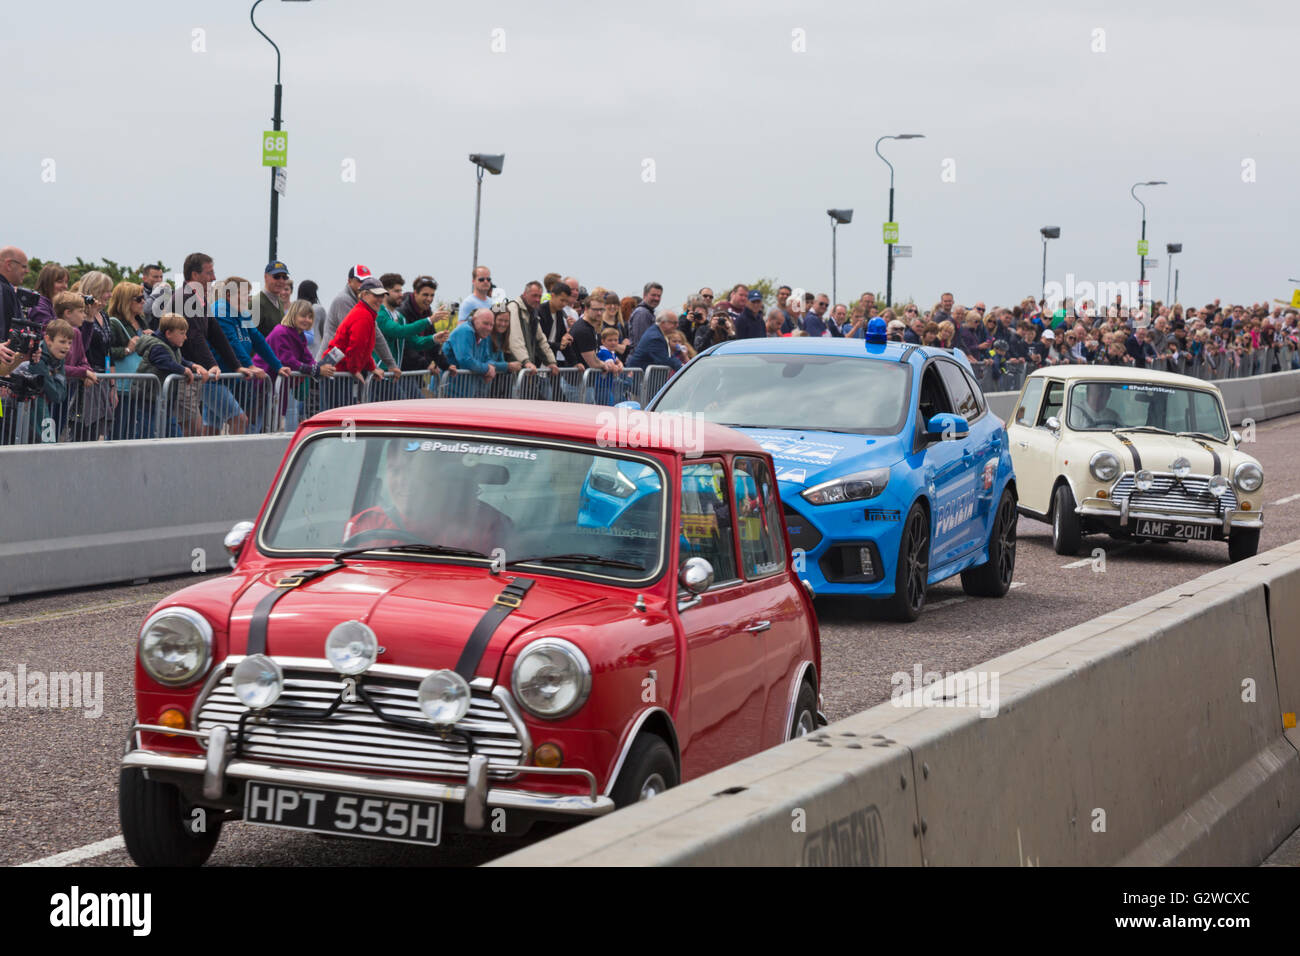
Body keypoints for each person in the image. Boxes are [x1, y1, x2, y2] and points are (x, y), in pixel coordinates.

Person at [343, 438, 513, 555]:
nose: (404, 482)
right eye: (395, 471)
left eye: (416, 472)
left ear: (444, 477)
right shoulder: (365, 524)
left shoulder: (489, 526)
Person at [260, 300, 338, 427]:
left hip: (274, 385)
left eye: (310, 317)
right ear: (293, 315)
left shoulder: (298, 334)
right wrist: (318, 370)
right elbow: (288, 360)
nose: (307, 320)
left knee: (270, 421)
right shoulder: (281, 332)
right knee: (259, 422)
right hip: (262, 384)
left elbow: (307, 358)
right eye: (303, 316)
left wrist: (321, 368)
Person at [132, 313, 207, 437]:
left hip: (163, 401)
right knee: (148, 434)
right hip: (148, 400)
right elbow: (165, 362)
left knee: (173, 434)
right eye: (182, 333)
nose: (185, 337)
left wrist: (192, 365)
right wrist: (184, 370)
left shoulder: (171, 346)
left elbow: (178, 359)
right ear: (168, 333)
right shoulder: (157, 346)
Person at [67, 271, 117, 441]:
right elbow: (80, 347)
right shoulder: (79, 313)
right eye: (105, 290)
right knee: (84, 431)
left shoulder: (104, 315)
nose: (109, 295)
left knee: (102, 430)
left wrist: (113, 386)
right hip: (85, 380)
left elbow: (108, 350)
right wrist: (88, 316)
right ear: (94, 290)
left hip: (102, 379)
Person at [106, 281, 149, 439]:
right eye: (139, 299)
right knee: (119, 430)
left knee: (131, 432)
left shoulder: (141, 321)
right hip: (121, 386)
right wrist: (127, 349)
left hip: (137, 386)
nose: (143, 302)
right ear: (126, 301)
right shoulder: (114, 323)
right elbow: (106, 351)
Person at [443, 307, 510, 396]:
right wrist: (487, 369)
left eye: (491, 325)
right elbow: (465, 360)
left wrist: (491, 369)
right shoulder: (465, 330)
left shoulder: (483, 334)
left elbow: (486, 358)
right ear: (475, 320)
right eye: (485, 323)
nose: (489, 328)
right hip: (448, 391)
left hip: (467, 391)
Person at [397, 275, 453, 378]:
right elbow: (406, 344)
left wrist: (446, 365)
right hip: (400, 371)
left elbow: (433, 342)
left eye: (432, 295)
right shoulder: (402, 311)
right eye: (425, 295)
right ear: (415, 293)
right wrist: (426, 365)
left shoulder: (427, 311)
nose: (429, 299)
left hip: (415, 371)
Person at [502, 280, 558, 374]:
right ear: (524, 294)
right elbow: (515, 338)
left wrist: (551, 362)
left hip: (525, 370)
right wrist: (525, 361)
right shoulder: (513, 307)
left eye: (539, 296)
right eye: (534, 295)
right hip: (511, 370)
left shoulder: (533, 313)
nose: (537, 299)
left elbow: (541, 340)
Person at [319, 264, 372, 359]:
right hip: (330, 360)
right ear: (349, 281)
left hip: (339, 358)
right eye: (360, 281)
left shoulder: (362, 301)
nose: (364, 285)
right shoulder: (343, 300)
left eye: (367, 281)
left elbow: (373, 332)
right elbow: (353, 335)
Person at [26, 263, 69, 329]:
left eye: (66, 282)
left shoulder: (54, 303)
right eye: (60, 282)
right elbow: (50, 333)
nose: (65, 286)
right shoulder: (39, 305)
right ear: (46, 283)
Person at [257, 261, 290, 336]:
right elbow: (249, 337)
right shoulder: (257, 304)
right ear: (266, 277)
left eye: (284, 277)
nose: (281, 281)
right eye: (276, 276)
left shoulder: (279, 301)